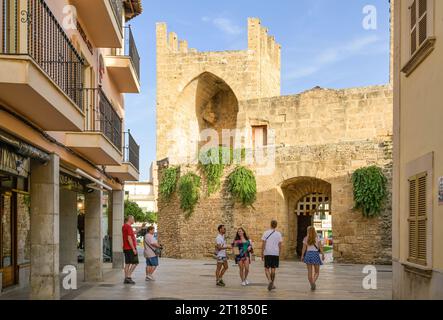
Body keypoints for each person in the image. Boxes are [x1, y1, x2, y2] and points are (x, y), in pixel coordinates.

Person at [301, 226, 325, 291]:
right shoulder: (317, 238)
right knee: (317, 272)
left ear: (308, 231)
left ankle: (311, 284)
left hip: (308, 254)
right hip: (315, 254)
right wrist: (322, 254)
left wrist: (302, 256)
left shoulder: (305, 238)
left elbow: (304, 248)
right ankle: (313, 282)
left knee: (309, 272)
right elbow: (320, 247)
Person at [261, 220, 283, 291]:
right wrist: (279, 253)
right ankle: (272, 284)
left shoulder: (266, 233)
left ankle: (270, 281)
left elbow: (263, 244)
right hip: (275, 253)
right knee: (273, 269)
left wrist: (262, 252)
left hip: (267, 252)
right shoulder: (279, 234)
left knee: (266, 268)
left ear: (270, 224)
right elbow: (280, 245)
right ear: (276, 225)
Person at [122, 215, 139, 284]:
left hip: (126, 248)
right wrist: (133, 249)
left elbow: (133, 233)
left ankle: (126, 278)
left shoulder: (124, 226)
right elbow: (129, 238)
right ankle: (128, 277)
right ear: (129, 219)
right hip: (130, 248)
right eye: (133, 219)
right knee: (135, 262)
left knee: (127, 263)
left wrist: (140, 228)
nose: (133, 220)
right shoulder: (128, 227)